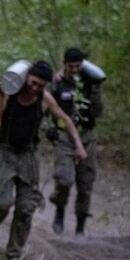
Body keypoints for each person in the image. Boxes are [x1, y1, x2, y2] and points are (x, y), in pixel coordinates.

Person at [0, 61, 87, 260]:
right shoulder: (10, 94)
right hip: (6, 154)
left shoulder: (44, 99)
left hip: (29, 157)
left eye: (41, 85)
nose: (35, 88)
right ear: (27, 77)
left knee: (26, 208)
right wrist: (1, 96)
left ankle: (14, 254)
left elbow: (65, 120)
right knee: (2, 203)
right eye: (34, 82)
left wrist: (78, 146)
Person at [49, 48, 104, 236]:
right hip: (64, 135)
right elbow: (45, 107)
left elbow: (97, 112)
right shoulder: (56, 83)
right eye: (70, 66)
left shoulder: (90, 83)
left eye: (78, 66)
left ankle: (80, 225)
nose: (74, 69)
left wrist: (95, 89)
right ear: (64, 64)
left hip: (87, 135)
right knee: (64, 178)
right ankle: (59, 210)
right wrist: (48, 129)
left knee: (85, 182)